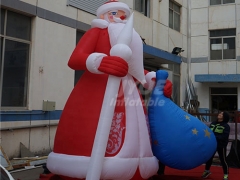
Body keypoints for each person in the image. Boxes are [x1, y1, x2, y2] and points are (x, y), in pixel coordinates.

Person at [46, 1, 172, 180]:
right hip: (96, 92)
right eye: (114, 12)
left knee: (135, 134)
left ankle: (136, 167)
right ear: (102, 16)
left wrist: (156, 82)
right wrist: (101, 62)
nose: (121, 17)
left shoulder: (130, 40)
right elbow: (75, 59)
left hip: (128, 95)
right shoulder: (97, 31)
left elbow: (134, 70)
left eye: (124, 15)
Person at [202, 111, 230, 180]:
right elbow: (209, 132)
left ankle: (226, 175)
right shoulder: (213, 123)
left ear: (224, 117)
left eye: (221, 114)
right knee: (209, 158)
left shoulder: (226, 126)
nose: (219, 114)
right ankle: (207, 171)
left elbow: (224, 136)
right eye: (220, 113)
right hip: (212, 145)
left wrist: (215, 137)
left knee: (223, 160)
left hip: (221, 145)